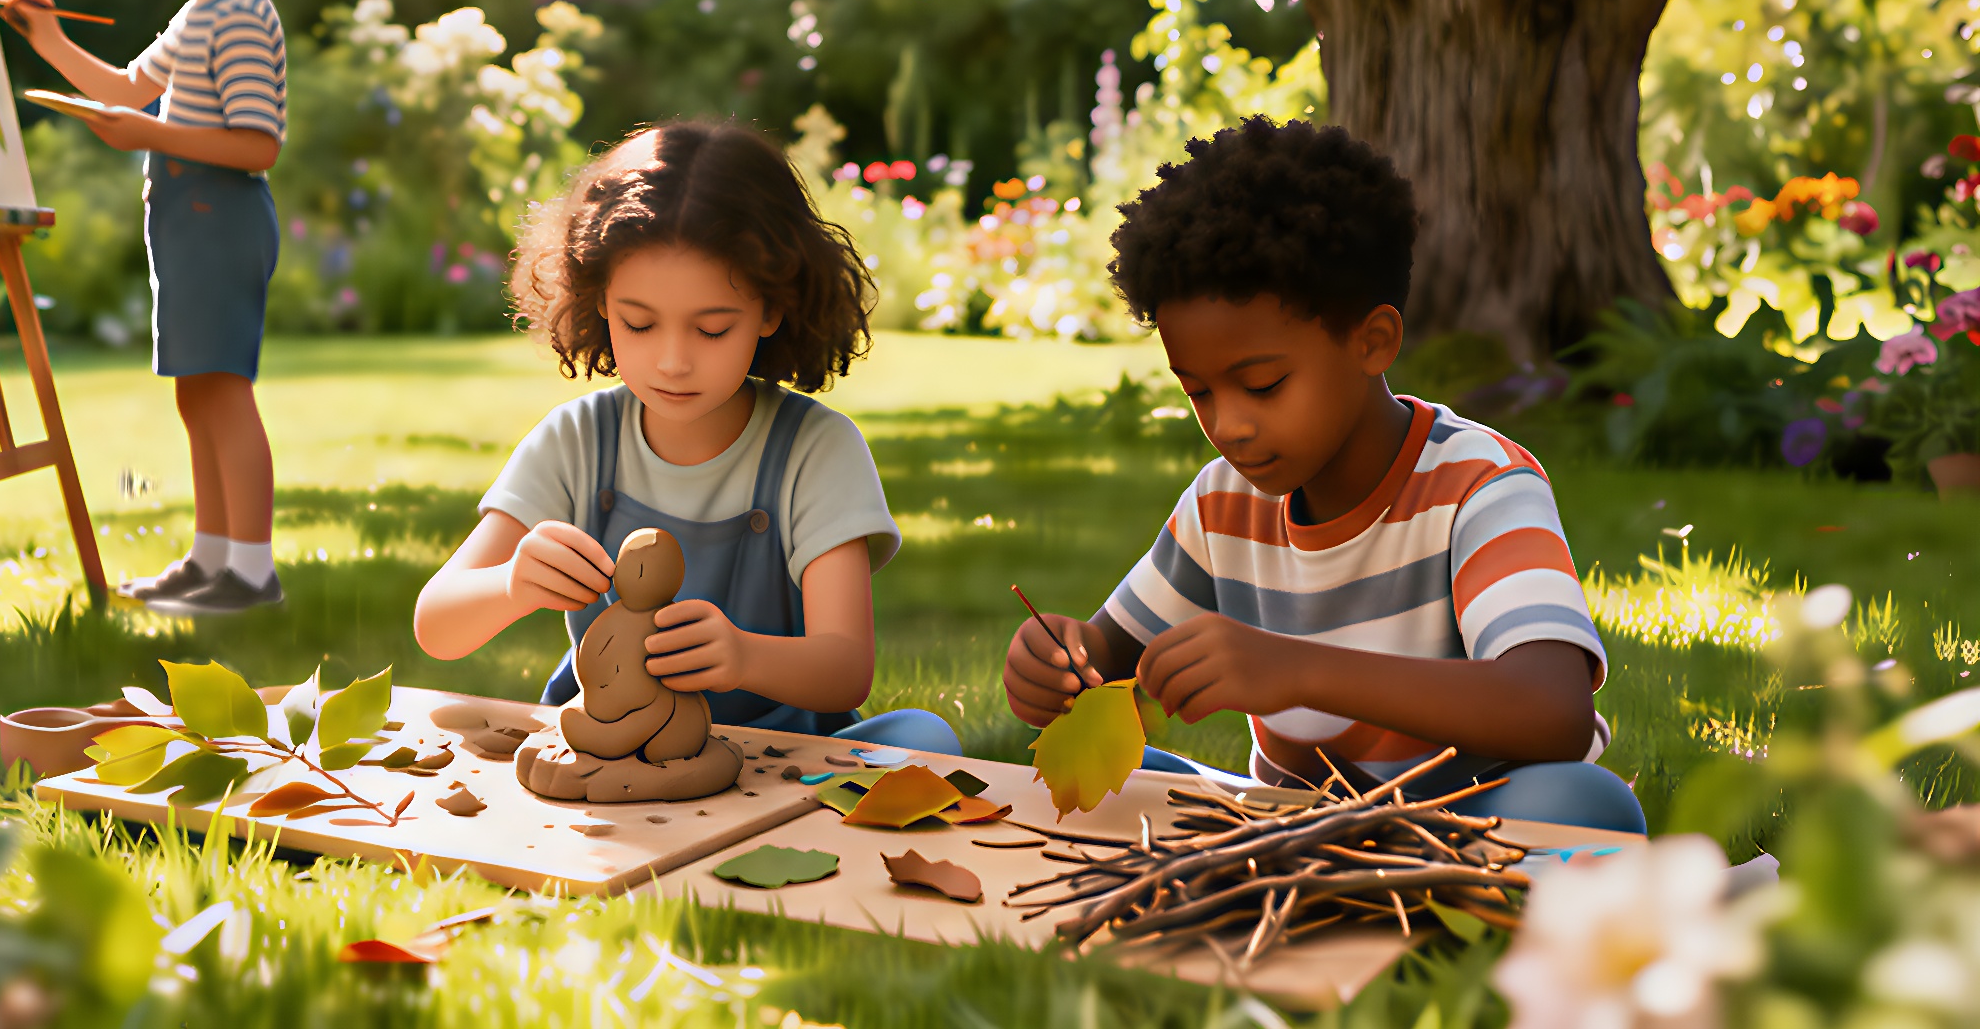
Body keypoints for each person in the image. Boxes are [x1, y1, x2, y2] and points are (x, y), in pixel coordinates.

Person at [1000, 117, 1643, 832]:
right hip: (1284, 827)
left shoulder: (1479, 487)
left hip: (1468, 827)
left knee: (1589, 808)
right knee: (1123, 788)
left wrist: (1297, 669)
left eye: (1264, 385)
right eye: (1199, 391)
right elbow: (1107, 660)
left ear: (1373, 342)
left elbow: (1553, 709)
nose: (1228, 425)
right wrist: (1063, 663)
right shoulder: (1221, 505)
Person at [414, 121, 959, 755]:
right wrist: (512, 583)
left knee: (925, 738)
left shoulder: (817, 449)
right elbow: (437, 626)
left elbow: (845, 669)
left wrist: (744, 656)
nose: (673, 362)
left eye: (711, 329)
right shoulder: (575, 441)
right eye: (639, 324)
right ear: (601, 301)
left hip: (780, 759)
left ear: (771, 309)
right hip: (611, 751)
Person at [0, 0, 287, 615]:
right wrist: (49, 39)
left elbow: (257, 143)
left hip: (220, 217)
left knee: (223, 392)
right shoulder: (198, 14)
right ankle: (212, 558)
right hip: (188, 220)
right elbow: (128, 89)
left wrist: (152, 134)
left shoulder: (242, 16)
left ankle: (252, 574)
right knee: (197, 393)